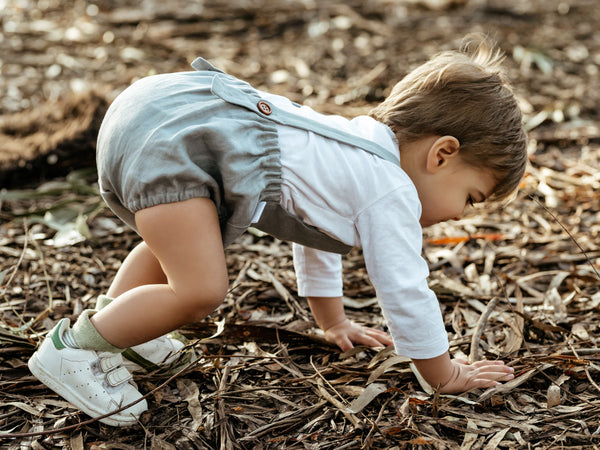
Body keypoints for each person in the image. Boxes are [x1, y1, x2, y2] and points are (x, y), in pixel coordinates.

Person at [28, 35, 526, 426]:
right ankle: (75, 350)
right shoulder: (390, 188)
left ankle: (127, 334)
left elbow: (315, 235)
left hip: (156, 110)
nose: (461, 216)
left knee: (171, 251)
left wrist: (332, 322)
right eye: (470, 198)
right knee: (200, 289)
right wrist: (443, 373)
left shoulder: (356, 150)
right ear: (442, 154)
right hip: (176, 136)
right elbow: (405, 289)